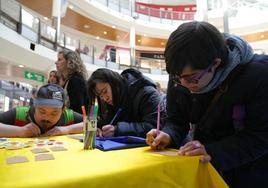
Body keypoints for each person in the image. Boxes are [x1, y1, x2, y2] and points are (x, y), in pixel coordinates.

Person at [146, 21, 268, 188]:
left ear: (216, 63)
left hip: (249, 173)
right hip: (204, 171)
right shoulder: (181, 75)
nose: (184, 84)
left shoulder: (258, 75)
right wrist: (168, 134)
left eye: (192, 78)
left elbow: (260, 136)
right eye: (176, 77)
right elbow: (177, 119)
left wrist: (213, 152)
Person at [87, 68, 166, 138]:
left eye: (105, 91)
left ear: (114, 82)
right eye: (100, 96)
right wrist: (99, 129)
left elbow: (154, 127)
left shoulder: (146, 92)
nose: (105, 98)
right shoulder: (115, 97)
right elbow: (106, 121)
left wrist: (118, 129)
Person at [0, 84, 84, 137]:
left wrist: (67, 129)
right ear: (35, 106)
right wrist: (20, 131)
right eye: (42, 111)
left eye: (54, 113)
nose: (47, 117)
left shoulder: (67, 115)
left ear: (63, 110)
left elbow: (91, 123)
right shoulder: (20, 113)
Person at [55, 49, 88, 114]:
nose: (56, 62)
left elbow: (77, 109)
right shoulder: (69, 80)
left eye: (59, 59)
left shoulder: (76, 80)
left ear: (69, 62)